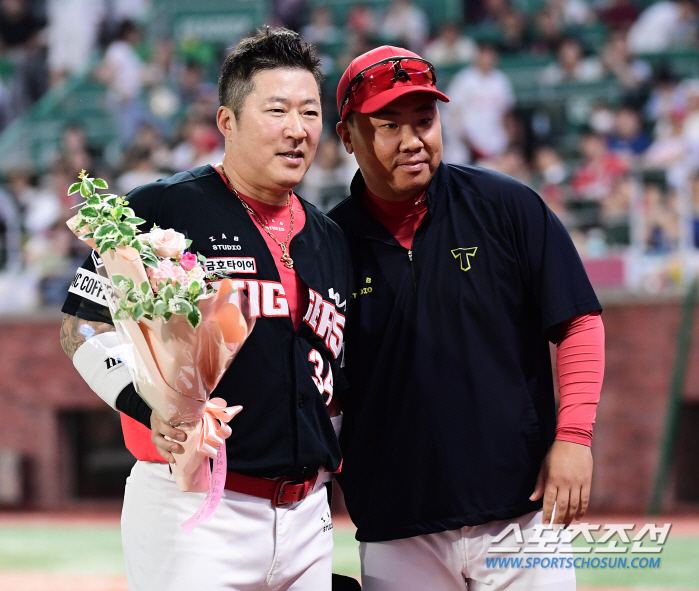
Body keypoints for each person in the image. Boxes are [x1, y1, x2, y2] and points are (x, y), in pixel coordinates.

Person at [59, 28, 352, 591]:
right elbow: (80, 324)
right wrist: (147, 408)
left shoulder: (330, 238)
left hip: (308, 517)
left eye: (311, 112)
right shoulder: (160, 207)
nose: (298, 130)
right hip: (193, 507)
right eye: (277, 110)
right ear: (227, 122)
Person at [329, 45, 605, 590]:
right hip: (396, 528)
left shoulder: (508, 206)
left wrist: (574, 436)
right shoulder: (326, 242)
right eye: (389, 125)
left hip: (521, 515)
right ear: (347, 137)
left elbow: (578, 322)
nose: (413, 141)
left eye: (425, 121)